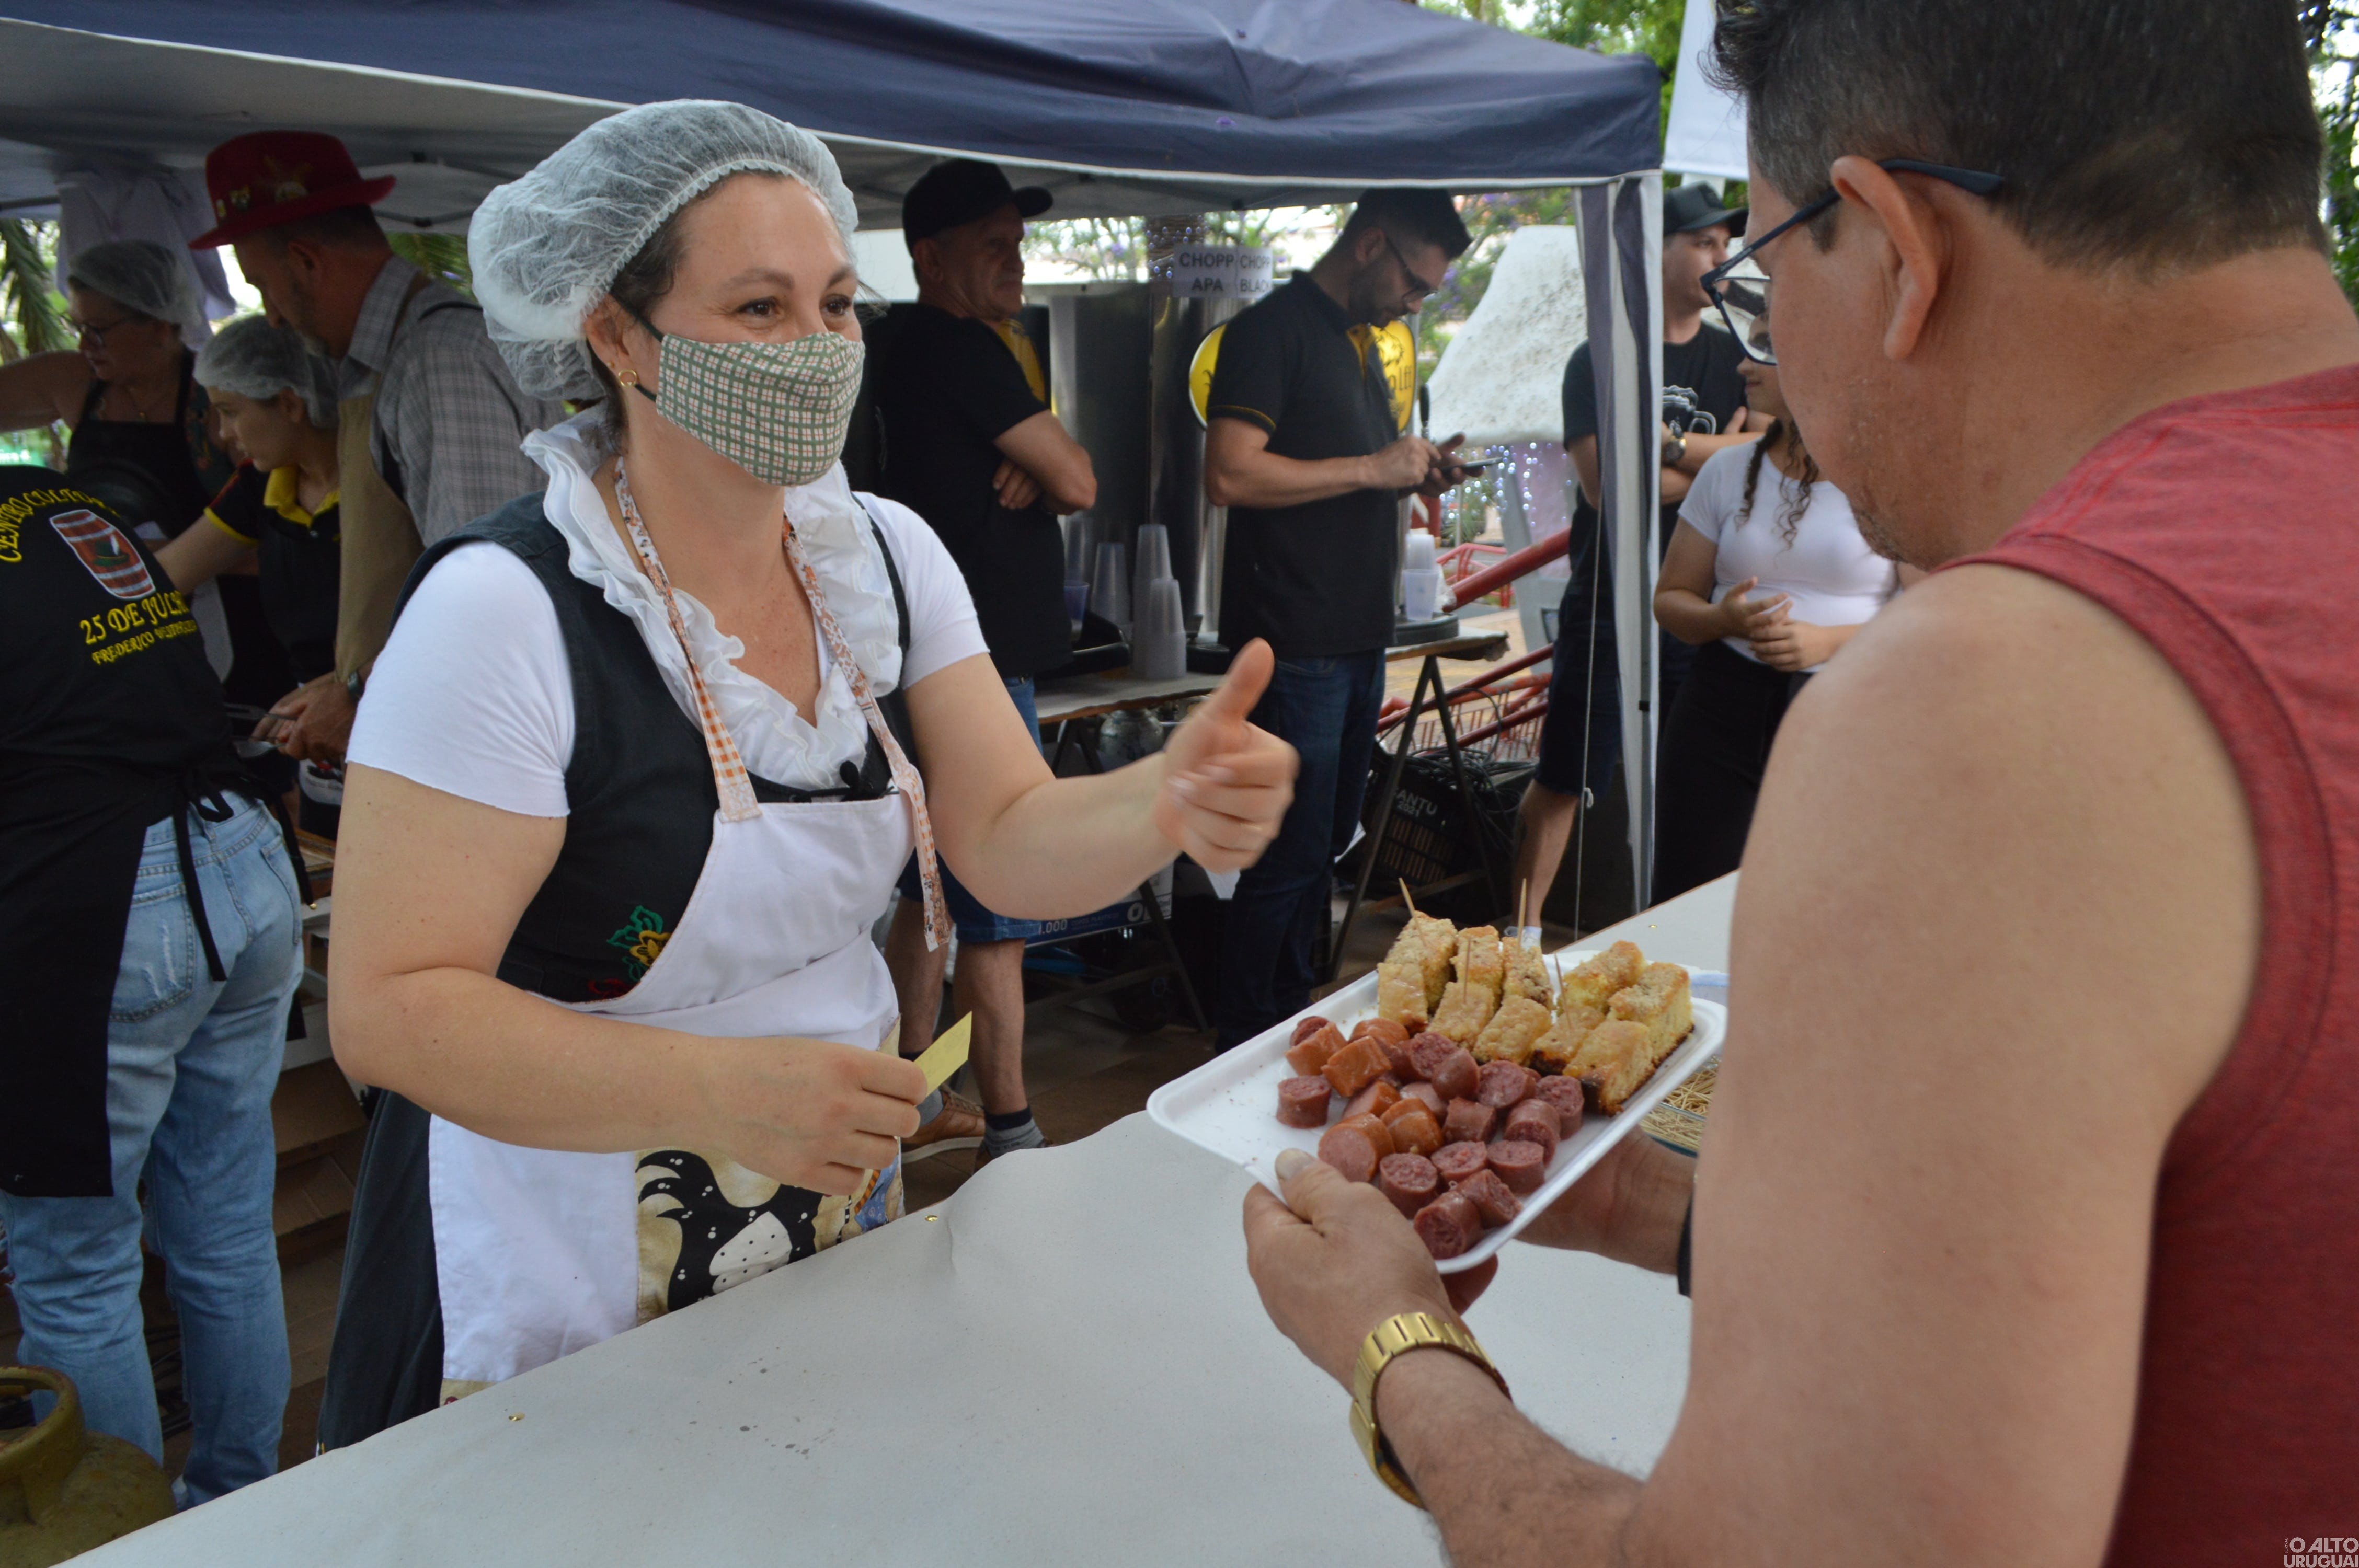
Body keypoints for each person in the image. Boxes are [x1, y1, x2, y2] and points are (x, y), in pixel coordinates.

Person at [1242, 0, 2359, 1559]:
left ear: (1896, 244)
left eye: (1768, 281)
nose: (1773, 356)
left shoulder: (1998, 695)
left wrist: (1396, 1353)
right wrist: (1662, 1213)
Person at [315, 101, 1295, 1443]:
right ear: (616, 335)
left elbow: (1002, 828)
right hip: (551, 1254)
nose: (821, 349)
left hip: (824, 1197)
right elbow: (391, 1009)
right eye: (761, 309)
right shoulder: (505, 610)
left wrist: (1160, 802)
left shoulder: (880, 558)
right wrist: (714, 1096)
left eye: (837, 304)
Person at [0, 466, 304, 1506]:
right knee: (221, 1232)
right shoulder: (49, 498)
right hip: (236, 857)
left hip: (102, 909)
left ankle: (127, 1539)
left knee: (75, 1270)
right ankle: (240, 1510)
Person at [189, 131, 563, 768]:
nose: (271, 317)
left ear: (307, 262)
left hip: (485, 744)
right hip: (428, 725)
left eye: (263, 286)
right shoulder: (384, 364)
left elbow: (487, 596)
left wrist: (358, 691)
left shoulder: (437, 359)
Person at [1202, 188, 1476, 1048]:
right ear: (1369, 245)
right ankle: (1247, 1033)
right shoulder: (1270, 331)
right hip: (1294, 640)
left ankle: (1290, 1019)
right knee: (1285, 854)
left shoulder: (1358, 345)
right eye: (1416, 283)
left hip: (1355, 636)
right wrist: (1370, 468)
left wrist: (1412, 473)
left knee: (1322, 845)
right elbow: (1232, 476)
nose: (1415, 301)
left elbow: (1348, 469)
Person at [871, 158, 1100, 1165]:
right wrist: (1044, 471)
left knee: (928, 893)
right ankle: (1010, 1125)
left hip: (911, 663)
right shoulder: (963, 347)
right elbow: (1082, 479)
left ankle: (910, 1099)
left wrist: (1029, 470)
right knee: (997, 903)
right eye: (992, 246)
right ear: (930, 257)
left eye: (1019, 241)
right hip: (971, 668)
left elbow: (1052, 477)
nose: (1016, 261)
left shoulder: (894, 347)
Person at [1513, 183, 1761, 931]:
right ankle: (1519, 936)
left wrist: (1671, 445)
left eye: (1726, 243)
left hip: (1700, 604)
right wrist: (1712, 464)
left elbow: (1766, 450)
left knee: (1688, 783)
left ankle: (1671, 940)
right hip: (1610, 598)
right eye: (1705, 243)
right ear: (1656, 252)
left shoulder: (1735, 352)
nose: (1722, 257)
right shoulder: (1602, 356)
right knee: (1566, 775)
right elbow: (1608, 487)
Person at [1648, 321, 1914, 900]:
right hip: (1721, 704)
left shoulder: (1890, 472)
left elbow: (1929, 610)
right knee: (1690, 890)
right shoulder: (1725, 470)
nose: (1742, 367)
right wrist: (1724, 621)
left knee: (1816, 897)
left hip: (1842, 707)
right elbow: (1670, 600)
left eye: (1762, 349)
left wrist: (1829, 643)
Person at [157, 315, 348, 835]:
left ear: (290, 404)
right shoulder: (259, 488)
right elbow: (164, 578)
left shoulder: (377, 483)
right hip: (320, 765)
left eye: (229, 413)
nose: (223, 436)